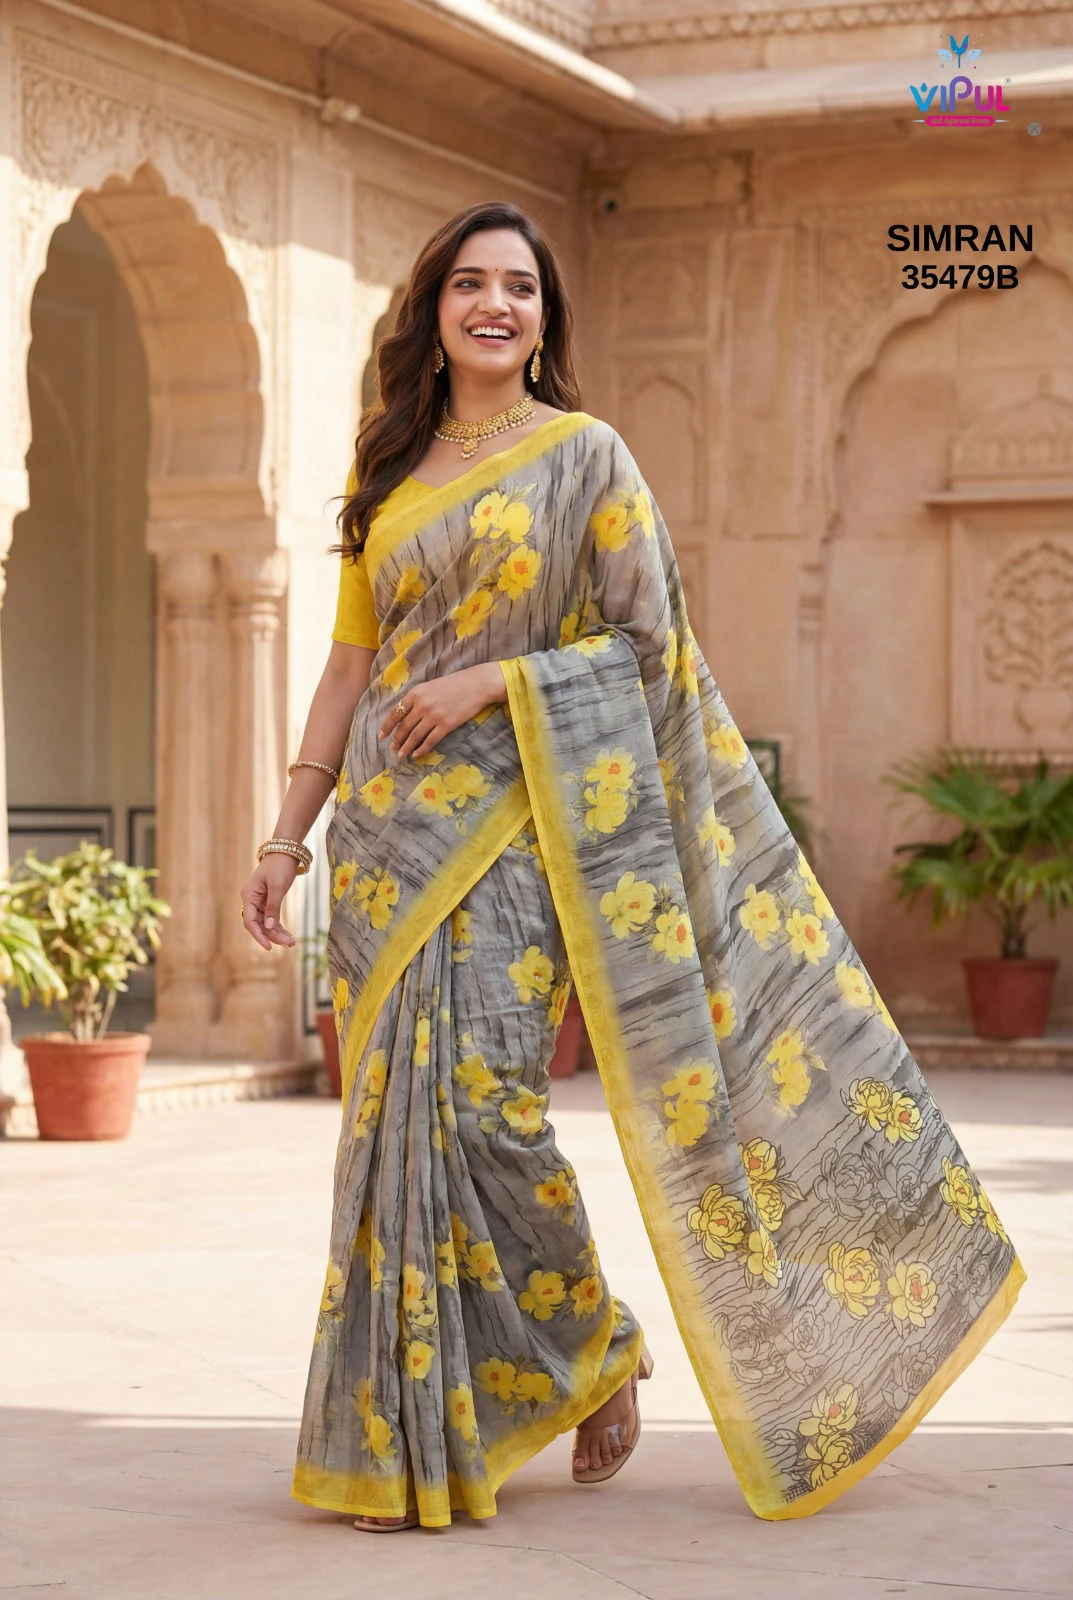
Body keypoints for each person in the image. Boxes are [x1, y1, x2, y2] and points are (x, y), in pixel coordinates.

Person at [240, 200, 1023, 1533]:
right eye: (471, 284)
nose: (496, 305)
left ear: (546, 318)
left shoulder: (586, 457)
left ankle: (590, 1339)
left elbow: (647, 646)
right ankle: (418, 1430)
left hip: (522, 829)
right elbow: (347, 670)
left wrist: (496, 681)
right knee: (392, 1129)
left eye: (521, 287)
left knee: (488, 1108)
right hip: (387, 845)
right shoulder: (389, 477)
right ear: (433, 309)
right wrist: (285, 832)